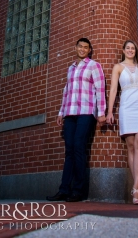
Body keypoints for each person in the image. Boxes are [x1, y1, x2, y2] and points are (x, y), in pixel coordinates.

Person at [46, 37, 106, 202]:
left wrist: (101, 112)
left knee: (79, 146)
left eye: (86, 47)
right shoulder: (70, 69)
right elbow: (66, 91)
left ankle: (78, 191)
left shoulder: (94, 66)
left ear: (89, 50)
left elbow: (100, 89)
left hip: (86, 113)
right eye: (80, 46)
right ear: (76, 47)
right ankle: (64, 190)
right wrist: (61, 112)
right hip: (70, 113)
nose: (82, 49)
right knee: (69, 150)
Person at [106, 40, 138, 204]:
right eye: (127, 48)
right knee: (131, 146)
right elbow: (114, 89)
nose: (130, 50)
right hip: (127, 107)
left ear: (135, 51)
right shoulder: (118, 67)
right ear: (123, 50)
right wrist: (110, 111)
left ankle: (135, 187)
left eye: (132, 48)